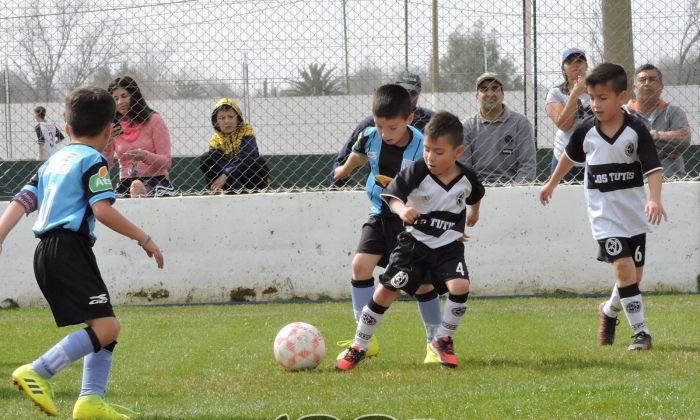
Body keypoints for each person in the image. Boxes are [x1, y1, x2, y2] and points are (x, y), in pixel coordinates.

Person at [0, 87, 164, 418]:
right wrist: (144, 238)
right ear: (109, 132)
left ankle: (91, 402)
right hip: (69, 248)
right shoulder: (93, 161)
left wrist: (0, 233)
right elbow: (102, 210)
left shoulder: (53, 162)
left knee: (104, 324)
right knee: (107, 329)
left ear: (68, 128)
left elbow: (23, 200)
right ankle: (37, 371)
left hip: (46, 251)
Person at [336, 111, 485, 371]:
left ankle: (443, 340)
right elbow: (392, 196)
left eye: (438, 152)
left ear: (458, 152)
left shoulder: (467, 178)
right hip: (413, 245)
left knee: (460, 285)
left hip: (448, 248)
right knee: (385, 292)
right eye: (427, 149)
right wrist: (403, 210)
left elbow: (475, 195)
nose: (430, 157)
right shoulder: (417, 171)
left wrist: (474, 213)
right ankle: (359, 346)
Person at [539, 63, 667, 352]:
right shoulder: (585, 130)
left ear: (622, 97)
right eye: (592, 97)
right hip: (604, 216)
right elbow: (568, 158)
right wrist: (551, 184)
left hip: (633, 214)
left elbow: (654, 169)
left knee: (633, 277)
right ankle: (641, 333)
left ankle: (608, 311)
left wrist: (654, 199)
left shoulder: (636, 130)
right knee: (623, 270)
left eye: (603, 98)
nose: (595, 104)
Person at [332, 84, 443, 364]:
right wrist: (343, 171)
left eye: (392, 128)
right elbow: (359, 154)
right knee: (360, 265)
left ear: (409, 119)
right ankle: (365, 340)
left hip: (411, 222)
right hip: (380, 213)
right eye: (380, 126)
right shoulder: (369, 136)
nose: (385, 133)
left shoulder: (422, 147)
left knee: (421, 286)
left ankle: (435, 342)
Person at [330, 71, 435, 187]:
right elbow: (347, 156)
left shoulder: (431, 120)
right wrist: (342, 183)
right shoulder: (372, 123)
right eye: (403, 91)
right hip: (380, 189)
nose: (408, 97)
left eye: (413, 93)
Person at [106, 76, 176, 198]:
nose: (120, 102)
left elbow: (167, 162)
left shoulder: (154, 120)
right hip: (126, 182)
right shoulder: (112, 126)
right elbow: (107, 164)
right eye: (115, 98)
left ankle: (140, 190)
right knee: (131, 189)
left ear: (135, 96)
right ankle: (136, 189)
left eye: (124, 96)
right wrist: (107, 142)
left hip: (156, 180)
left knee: (139, 188)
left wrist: (145, 155)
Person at [461, 72, 536, 184]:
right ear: (477, 96)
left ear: (502, 93)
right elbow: (463, 167)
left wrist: (517, 191)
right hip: (478, 187)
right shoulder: (466, 126)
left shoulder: (520, 123)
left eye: (495, 88)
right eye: (484, 89)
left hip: (512, 187)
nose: (490, 93)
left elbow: (528, 165)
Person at [623, 64, 692, 178]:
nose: (647, 83)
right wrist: (665, 149)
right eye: (642, 80)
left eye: (652, 79)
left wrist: (649, 137)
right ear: (634, 88)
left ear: (661, 86)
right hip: (635, 180)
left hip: (672, 179)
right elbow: (619, 146)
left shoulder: (674, 112)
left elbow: (684, 139)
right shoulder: (623, 113)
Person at [200, 98, 270, 193]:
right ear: (216, 122)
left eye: (231, 116)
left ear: (238, 118)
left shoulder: (246, 130)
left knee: (257, 162)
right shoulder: (215, 139)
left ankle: (253, 192)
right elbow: (220, 163)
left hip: (246, 176)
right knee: (206, 159)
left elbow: (247, 156)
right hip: (227, 182)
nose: (227, 121)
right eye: (222, 118)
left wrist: (226, 175)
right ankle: (220, 191)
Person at [545, 48, 593, 181]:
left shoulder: (597, 91)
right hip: (565, 158)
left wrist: (590, 91)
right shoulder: (556, 93)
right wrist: (575, 93)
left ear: (586, 66)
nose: (576, 65)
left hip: (594, 156)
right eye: (570, 62)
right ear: (563, 68)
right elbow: (564, 125)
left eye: (580, 61)